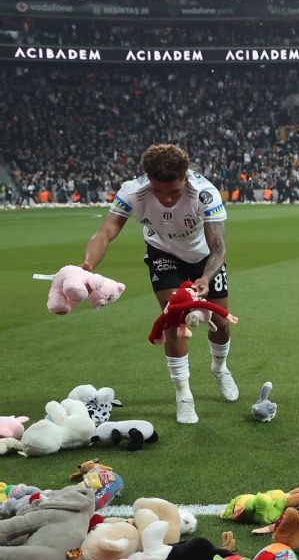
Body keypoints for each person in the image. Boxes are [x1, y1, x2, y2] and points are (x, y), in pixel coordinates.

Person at [80, 143, 237, 424]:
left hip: (205, 258)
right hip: (162, 253)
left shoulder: (205, 193)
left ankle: (220, 368)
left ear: (186, 179)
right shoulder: (132, 191)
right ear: (148, 180)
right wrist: (88, 266)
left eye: (173, 192)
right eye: (158, 191)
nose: (165, 199)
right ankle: (184, 396)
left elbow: (219, 248)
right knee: (174, 318)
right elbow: (106, 232)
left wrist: (204, 278)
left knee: (220, 322)